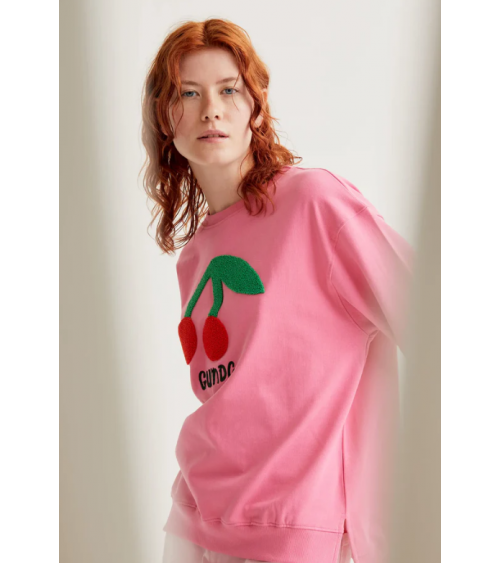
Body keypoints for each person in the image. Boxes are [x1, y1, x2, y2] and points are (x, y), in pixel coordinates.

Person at [140, 18, 415, 563]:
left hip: (297, 525)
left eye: (228, 90)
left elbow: (434, 319)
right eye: (188, 94)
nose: (210, 109)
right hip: (195, 514)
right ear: (164, 119)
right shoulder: (196, 255)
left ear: (256, 108)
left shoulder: (315, 204)